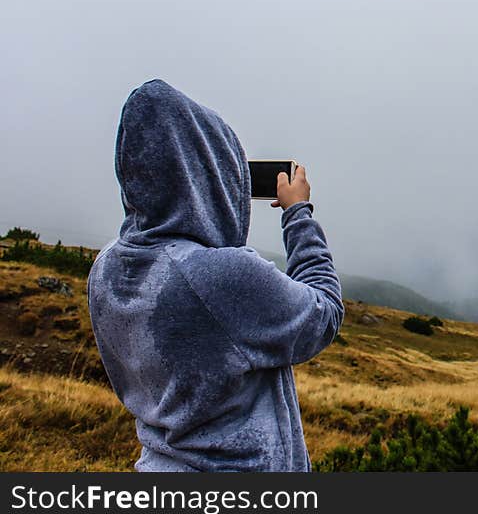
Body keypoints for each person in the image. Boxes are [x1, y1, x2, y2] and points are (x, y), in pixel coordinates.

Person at [87, 79, 344, 472]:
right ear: (206, 176)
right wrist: (298, 214)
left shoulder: (106, 269)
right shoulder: (218, 276)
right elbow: (323, 313)